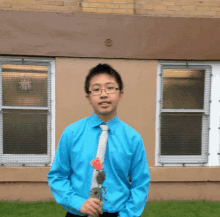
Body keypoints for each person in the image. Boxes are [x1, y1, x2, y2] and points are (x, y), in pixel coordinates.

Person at [47, 63, 151, 217]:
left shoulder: (133, 138)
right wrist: (77, 203)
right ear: (88, 97)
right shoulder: (71, 133)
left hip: (118, 213)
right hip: (78, 211)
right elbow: (57, 176)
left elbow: (140, 184)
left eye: (110, 88)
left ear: (120, 94)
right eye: (96, 89)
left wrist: (126, 215)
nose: (103, 94)